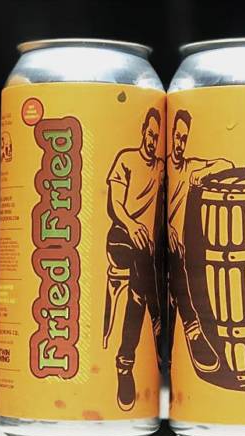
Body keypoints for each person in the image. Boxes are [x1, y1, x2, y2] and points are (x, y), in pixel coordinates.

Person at [105, 108, 164, 410]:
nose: (153, 141)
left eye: (157, 136)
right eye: (150, 134)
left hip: (148, 251)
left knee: (145, 269)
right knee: (143, 255)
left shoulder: (161, 167)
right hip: (120, 237)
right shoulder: (126, 160)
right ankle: (156, 324)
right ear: (143, 131)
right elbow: (114, 205)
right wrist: (131, 225)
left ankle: (124, 362)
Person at [166, 109, 234, 374]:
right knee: (173, 253)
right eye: (177, 137)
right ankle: (193, 329)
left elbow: (226, 163)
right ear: (170, 135)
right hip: (154, 244)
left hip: (181, 249)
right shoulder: (159, 164)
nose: (180, 144)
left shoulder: (190, 167)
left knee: (184, 257)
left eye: (184, 139)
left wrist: (205, 172)